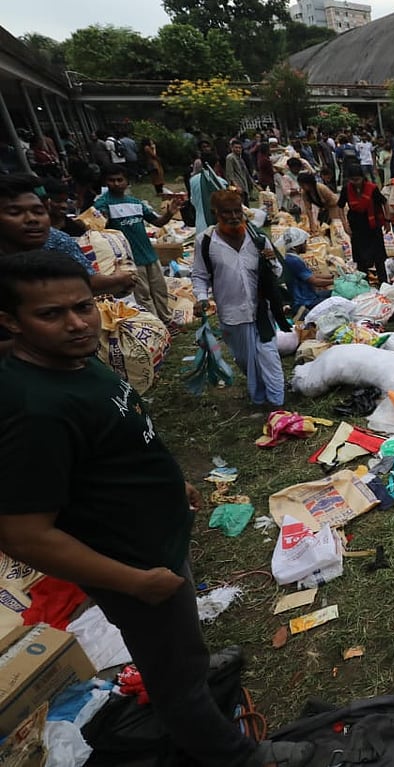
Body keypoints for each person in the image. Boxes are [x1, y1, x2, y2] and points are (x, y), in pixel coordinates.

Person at [0, 250, 315, 767]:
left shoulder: (75, 362)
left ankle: (192, 663)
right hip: (132, 561)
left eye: (84, 306)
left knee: (178, 641)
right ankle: (237, 756)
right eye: (51, 314)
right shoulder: (33, 409)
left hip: (156, 540)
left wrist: (175, 482)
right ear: (10, 321)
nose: (78, 323)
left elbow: (120, 436)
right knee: (171, 677)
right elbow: (23, 534)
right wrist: (133, 582)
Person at [191, 189, 289, 407]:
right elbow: (199, 275)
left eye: (238, 211)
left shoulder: (258, 239)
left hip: (262, 311)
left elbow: (276, 273)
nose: (234, 216)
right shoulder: (205, 242)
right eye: (228, 212)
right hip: (232, 313)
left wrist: (272, 261)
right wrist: (201, 297)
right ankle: (260, 396)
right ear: (215, 213)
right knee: (246, 360)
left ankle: (277, 403)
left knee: (269, 355)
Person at [0, 174, 136, 301]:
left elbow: (84, 281)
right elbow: (88, 283)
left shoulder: (58, 239)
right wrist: (118, 279)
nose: (31, 219)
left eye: (38, 211)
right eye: (15, 213)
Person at [91, 164, 182, 324]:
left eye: (120, 180)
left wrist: (169, 213)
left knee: (160, 290)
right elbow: (99, 227)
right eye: (112, 180)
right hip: (130, 260)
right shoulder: (102, 204)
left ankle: (167, 321)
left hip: (149, 255)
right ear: (106, 182)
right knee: (143, 295)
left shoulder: (136, 203)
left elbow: (157, 222)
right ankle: (156, 326)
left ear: (127, 182)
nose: (116, 183)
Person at [338, 165, 390, 283]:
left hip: (373, 226)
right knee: (360, 259)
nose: (355, 182)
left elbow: (384, 202)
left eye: (357, 179)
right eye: (352, 180)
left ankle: (383, 283)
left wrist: (387, 220)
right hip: (357, 227)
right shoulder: (347, 189)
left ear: (362, 177)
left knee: (378, 258)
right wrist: (345, 225)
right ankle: (364, 283)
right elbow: (340, 207)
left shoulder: (372, 189)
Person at [274, 228, 332, 318]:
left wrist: (333, 276)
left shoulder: (291, 257)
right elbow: (315, 281)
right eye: (304, 243)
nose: (306, 245)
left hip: (309, 296)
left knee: (331, 292)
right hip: (305, 301)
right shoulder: (293, 260)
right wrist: (335, 281)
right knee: (337, 297)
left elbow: (311, 275)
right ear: (296, 245)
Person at [224, 139, 253, 204]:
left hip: (243, 186)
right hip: (236, 188)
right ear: (232, 148)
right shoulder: (230, 157)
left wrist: (254, 184)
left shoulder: (240, 158)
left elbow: (246, 173)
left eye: (239, 148)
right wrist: (236, 186)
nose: (238, 149)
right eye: (236, 147)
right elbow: (230, 174)